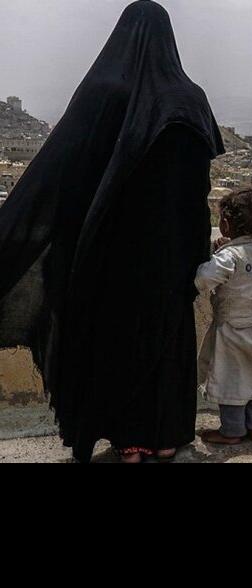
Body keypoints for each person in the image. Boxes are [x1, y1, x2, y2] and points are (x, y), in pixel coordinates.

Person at [0, 1, 225, 463]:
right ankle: (167, 435)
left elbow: (63, 169)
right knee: (168, 336)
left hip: (113, 248)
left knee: (117, 337)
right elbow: (198, 183)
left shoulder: (106, 90)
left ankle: (130, 440)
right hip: (175, 249)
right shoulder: (191, 97)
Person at [196, 189, 252, 446]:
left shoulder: (228, 257)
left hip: (233, 330)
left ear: (226, 225)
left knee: (231, 379)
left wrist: (216, 254)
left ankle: (231, 432)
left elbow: (204, 279)